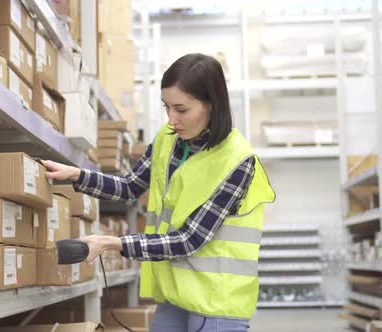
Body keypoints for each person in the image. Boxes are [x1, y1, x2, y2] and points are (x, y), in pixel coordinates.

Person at [42, 53, 275, 332]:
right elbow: (129, 187)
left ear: (212, 104)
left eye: (181, 109)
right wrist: (77, 175)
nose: (172, 119)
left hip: (217, 300)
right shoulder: (168, 140)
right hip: (178, 292)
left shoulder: (238, 161)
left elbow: (190, 239)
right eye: (167, 108)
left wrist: (111, 243)